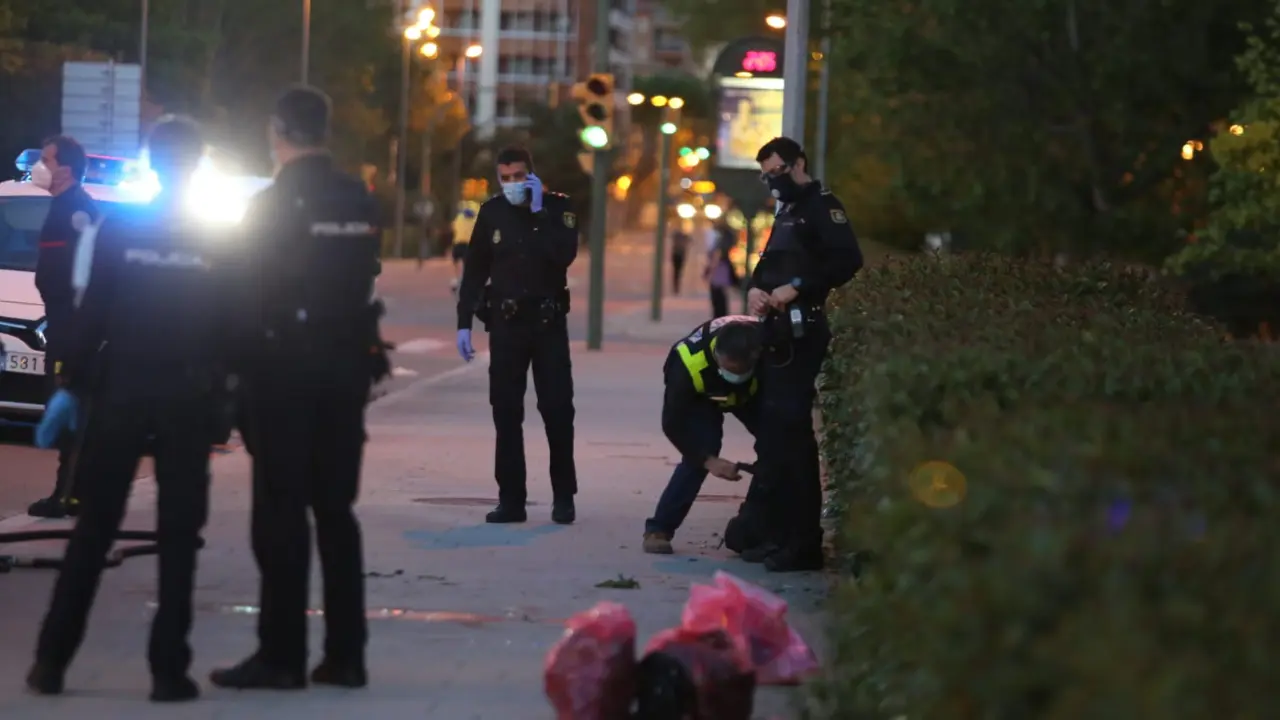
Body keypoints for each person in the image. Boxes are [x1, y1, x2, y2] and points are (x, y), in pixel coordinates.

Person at [26, 116, 235, 702]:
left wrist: (70, 385)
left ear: (150, 163)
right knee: (178, 539)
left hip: (120, 395)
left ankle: (51, 663)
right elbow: (233, 328)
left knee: (93, 531)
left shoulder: (117, 227)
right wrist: (227, 401)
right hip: (187, 401)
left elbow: (89, 314)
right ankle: (168, 673)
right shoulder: (221, 241)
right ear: (199, 165)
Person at [210, 85, 387, 691]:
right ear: (326, 129)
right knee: (336, 513)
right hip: (345, 372)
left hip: (283, 374)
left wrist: (228, 378)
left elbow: (243, 293)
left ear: (277, 131)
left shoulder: (271, 204)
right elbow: (366, 275)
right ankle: (347, 656)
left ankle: (281, 656)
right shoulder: (358, 198)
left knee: (281, 514)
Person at [734, 136, 862, 573]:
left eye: (778, 172)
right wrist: (756, 289)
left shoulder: (821, 206)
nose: (773, 181)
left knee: (794, 438)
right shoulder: (787, 210)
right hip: (776, 332)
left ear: (798, 163)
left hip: (802, 331)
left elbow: (847, 260)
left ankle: (804, 543)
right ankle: (778, 533)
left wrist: (799, 287)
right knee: (775, 437)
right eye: (766, 176)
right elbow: (769, 264)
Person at [456, 146, 579, 525]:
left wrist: (539, 212)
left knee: (557, 410)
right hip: (506, 326)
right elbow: (474, 269)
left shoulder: (558, 208)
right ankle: (511, 500)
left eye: (519, 176)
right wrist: (463, 322)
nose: (512, 183)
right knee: (506, 412)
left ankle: (564, 497)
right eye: (505, 177)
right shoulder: (492, 212)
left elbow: (563, 255)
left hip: (547, 325)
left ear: (533, 175)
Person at [643, 316, 765, 554]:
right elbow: (672, 424)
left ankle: (761, 525)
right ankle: (659, 529)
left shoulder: (767, 347)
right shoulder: (686, 363)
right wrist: (709, 460)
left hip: (750, 394)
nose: (732, 374)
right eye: (727, 368)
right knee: (699, 452)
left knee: (777, 444)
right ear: (716, 355)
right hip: (703, 397)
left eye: (738, 371)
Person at [27, 135, 98, 519]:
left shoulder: (72, 210)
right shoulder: (69, 206)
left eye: (47, 160)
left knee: (68, 408)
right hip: (68, 325)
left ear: (66, 170)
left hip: (70, 328)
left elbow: (73, 279)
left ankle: (69, 494)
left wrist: (72, 338)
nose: (40, 167)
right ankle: (72, 492)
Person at [704, 218, 736, 318]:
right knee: (720, 294)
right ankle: (721, 315)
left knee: (717, 294)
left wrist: (709, 270)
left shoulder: (722, 239)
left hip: (719, 268)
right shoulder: (725, 237)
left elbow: (717, 254)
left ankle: (719, 316)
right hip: (722, 266)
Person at [670, 225, 691, 295]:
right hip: (679, 255)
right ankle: (676, 287)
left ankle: (676, 286)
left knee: (676, 271)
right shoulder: (682, 237)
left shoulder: (677, 237)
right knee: (677, 271)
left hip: (677, 255)